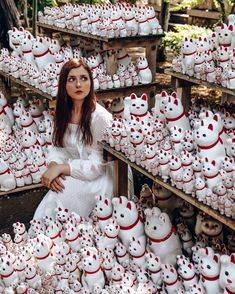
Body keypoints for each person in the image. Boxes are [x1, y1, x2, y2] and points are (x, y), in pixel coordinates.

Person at [33, 58, 113, 219]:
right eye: (72, 79)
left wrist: (62, 169)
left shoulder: (100, 118)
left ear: (91, 82)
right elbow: (57, 147)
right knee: (49, 206)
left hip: (101, 177)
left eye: (84, 78)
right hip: (75, 170)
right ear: (64, 85)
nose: (78, 85)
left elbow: (98, 166)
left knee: (61, 205)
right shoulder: (64, 112)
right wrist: (54, 166)